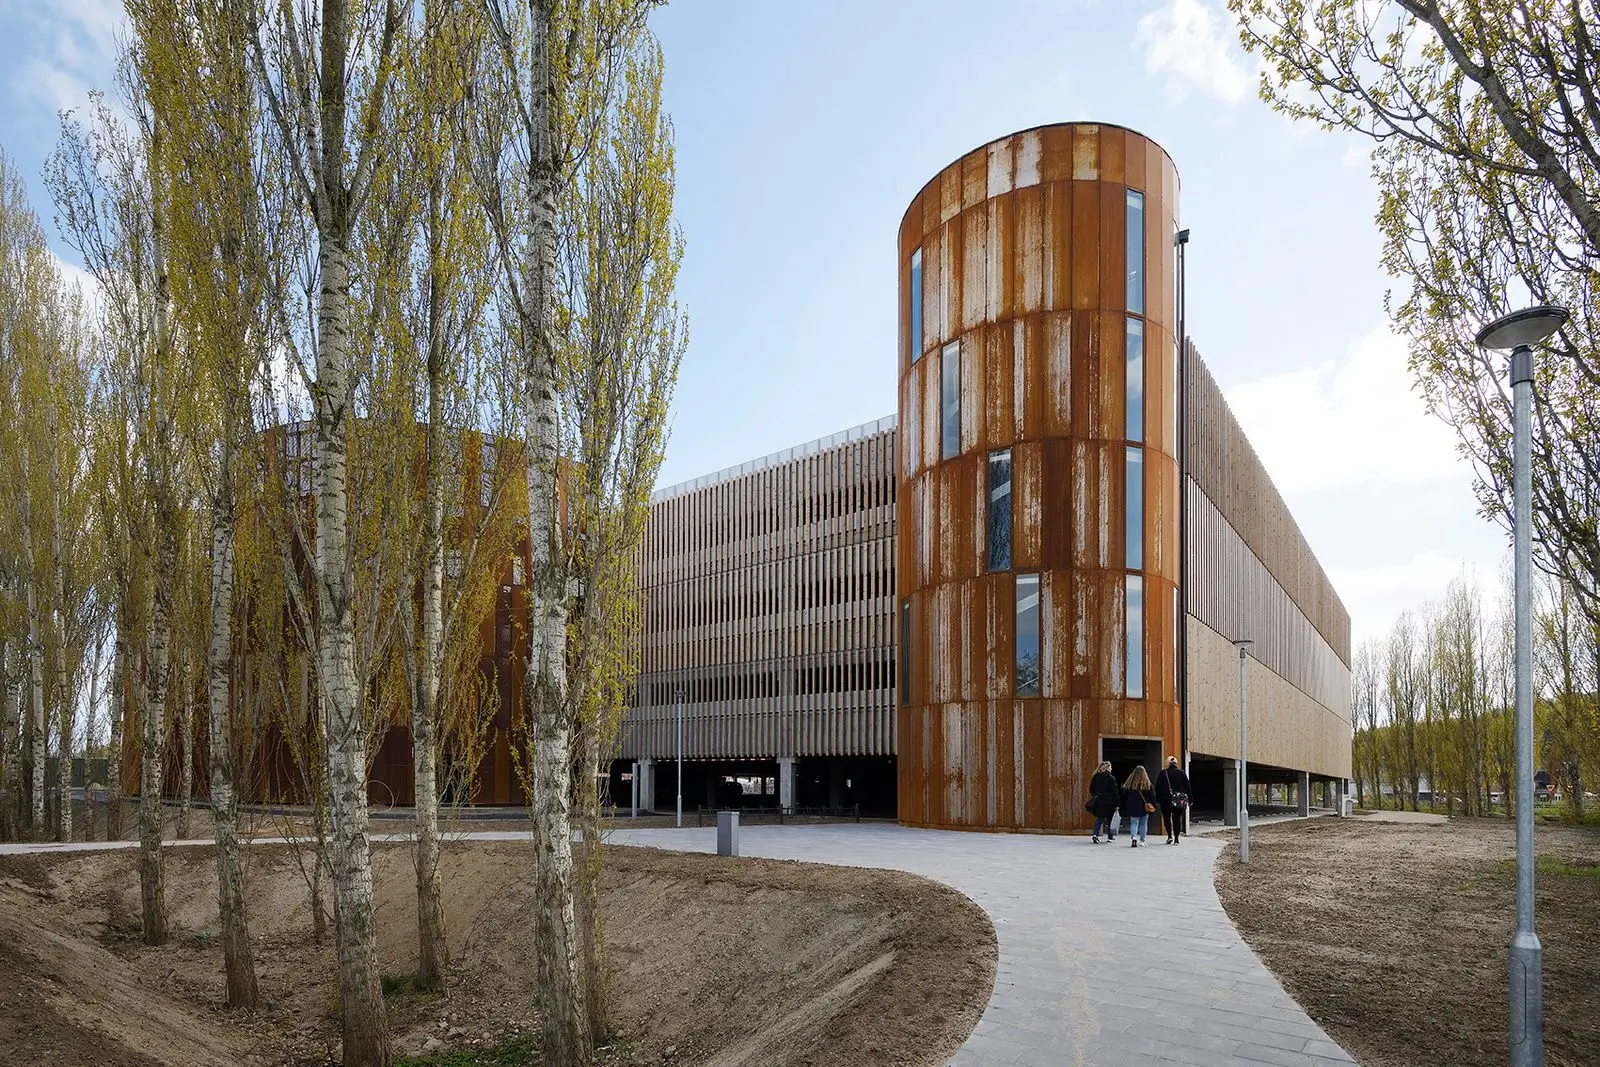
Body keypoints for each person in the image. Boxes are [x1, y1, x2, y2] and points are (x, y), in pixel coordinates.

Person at [1155, 755, 1192, 844]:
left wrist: (1157, 800)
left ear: (1168, 763)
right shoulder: (1181, 773)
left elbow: (1158, 787)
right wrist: (1190, 799)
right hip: (1178, 800)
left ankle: (1169, 836)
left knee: (1167, 818)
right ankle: (1176, 839)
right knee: (1177, 819)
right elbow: (1187, 787)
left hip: (1165, 800)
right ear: (1176, 764)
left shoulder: (1163, 773)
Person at [1121, 766, 1156, 848]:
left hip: (1133, 806)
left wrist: (1125, 805)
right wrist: (1153, 805)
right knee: (1143, 824)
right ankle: (1142, 840)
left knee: (1134, 823)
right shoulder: (1148, 784)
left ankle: (1134, 837)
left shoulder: (1129, 784)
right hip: (1144, 807)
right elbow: (1153, 796)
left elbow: (1124, 795)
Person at [1088, 761, 1119, 843]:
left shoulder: (1095, 777)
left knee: (1099, 818)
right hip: (1110, 801)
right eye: (1111, 767)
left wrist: (1096, 795)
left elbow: (1091, 789)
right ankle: (1110, 836)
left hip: (1099, 801)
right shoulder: (1111, 778)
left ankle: (1095, 834)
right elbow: (1115, 792)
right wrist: (1117, 804)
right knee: (1110, 820)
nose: (1111, 769)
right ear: (1107, 768)